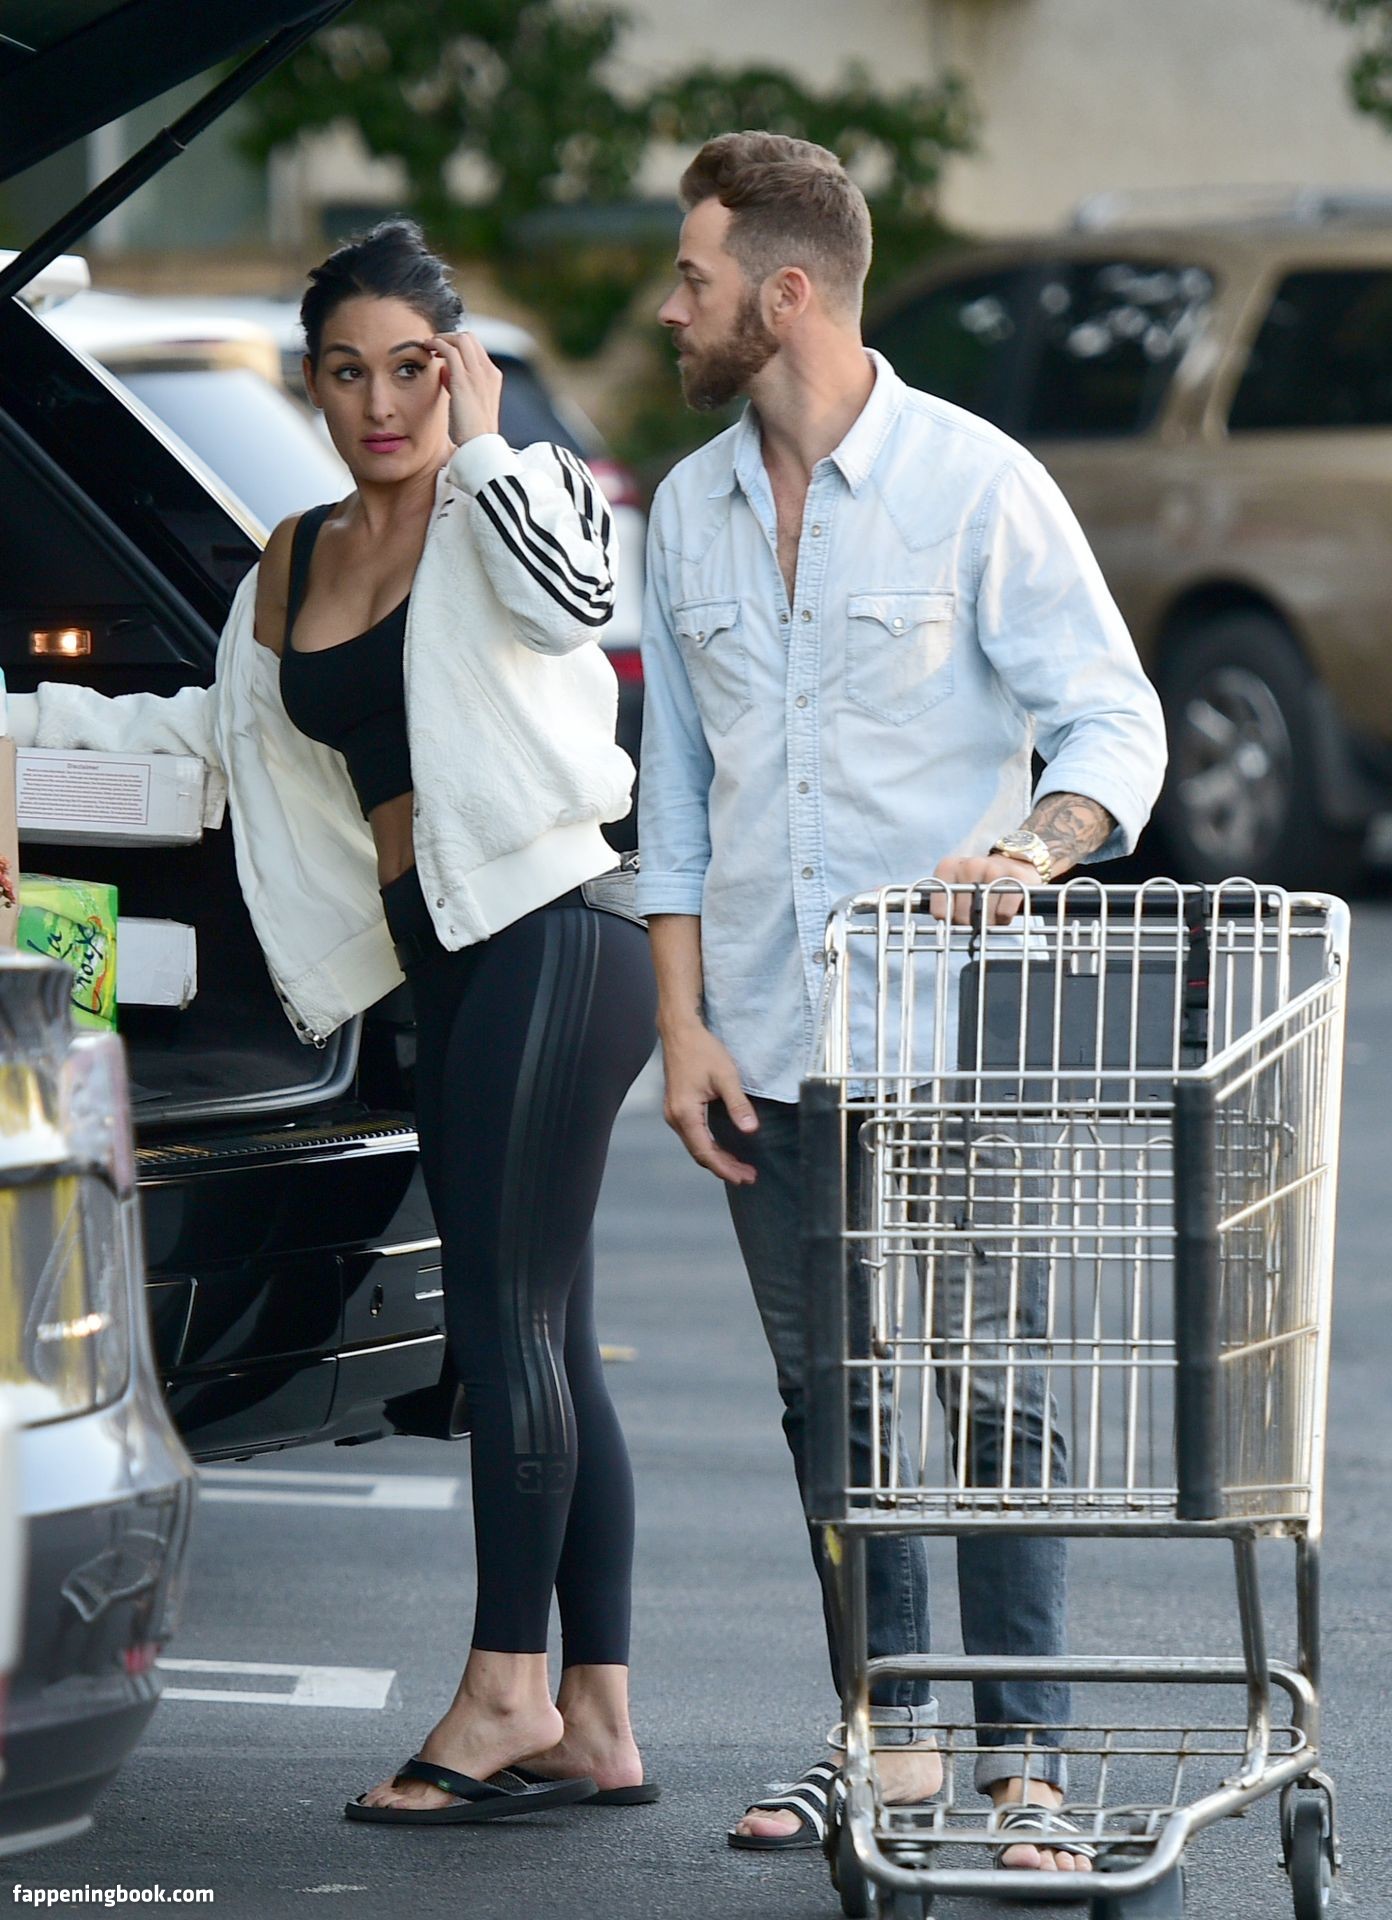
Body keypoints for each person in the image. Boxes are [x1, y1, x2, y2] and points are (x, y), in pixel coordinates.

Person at [11, 221, 659, 1828]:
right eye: (350, 373)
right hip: (443, 961)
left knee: (502, 1331)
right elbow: (207, 745)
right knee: (548, 1328)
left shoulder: (511, 503)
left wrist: (491, 445)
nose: (383, 404)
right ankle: (596, 1717)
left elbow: (580, 605)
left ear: (458, 367)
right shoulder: (292, 560)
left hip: (554, 931)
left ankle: (503, 1693)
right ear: (312, 385)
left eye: (414, 368)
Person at [637, 134, 1167, 1873]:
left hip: (958, 1037)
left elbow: (1114, 721)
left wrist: (1033, 848)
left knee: (999, 1390)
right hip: (766, 1047)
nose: (671, 308)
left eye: (695, 277)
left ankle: (1028, 1762)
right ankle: (890, 1739)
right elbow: (676, 797)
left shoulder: (976, 485)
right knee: (837, 1408)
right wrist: (682, 1025)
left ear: (786, 293)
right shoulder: (687, 511)